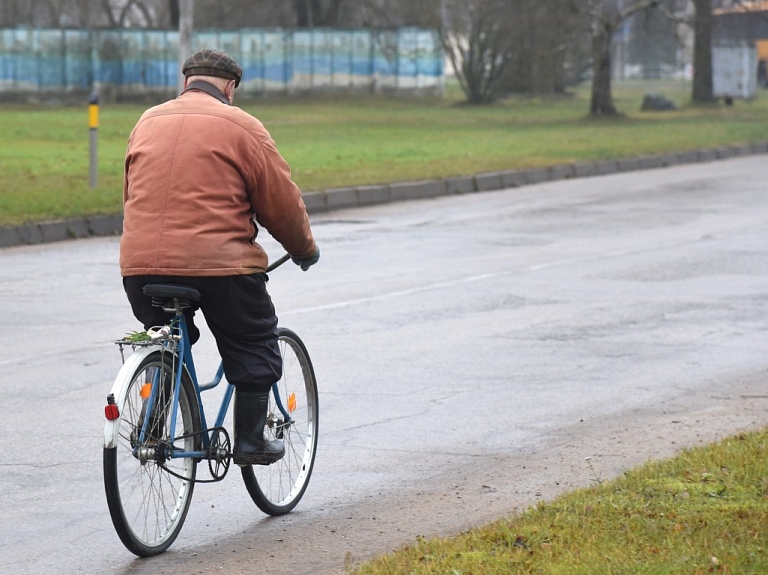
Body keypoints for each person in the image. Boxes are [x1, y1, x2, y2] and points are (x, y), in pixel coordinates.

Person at [120, 48, 319, 466]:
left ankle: (155, 419)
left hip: (139, 267)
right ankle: (251, 442)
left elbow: (132, 194)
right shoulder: (242, 126)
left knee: (168, 335)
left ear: (186, 81)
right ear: (230, 87)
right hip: (218, 270)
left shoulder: (147, 121)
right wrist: (303, 248)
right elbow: (280, 204)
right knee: (254, 343)